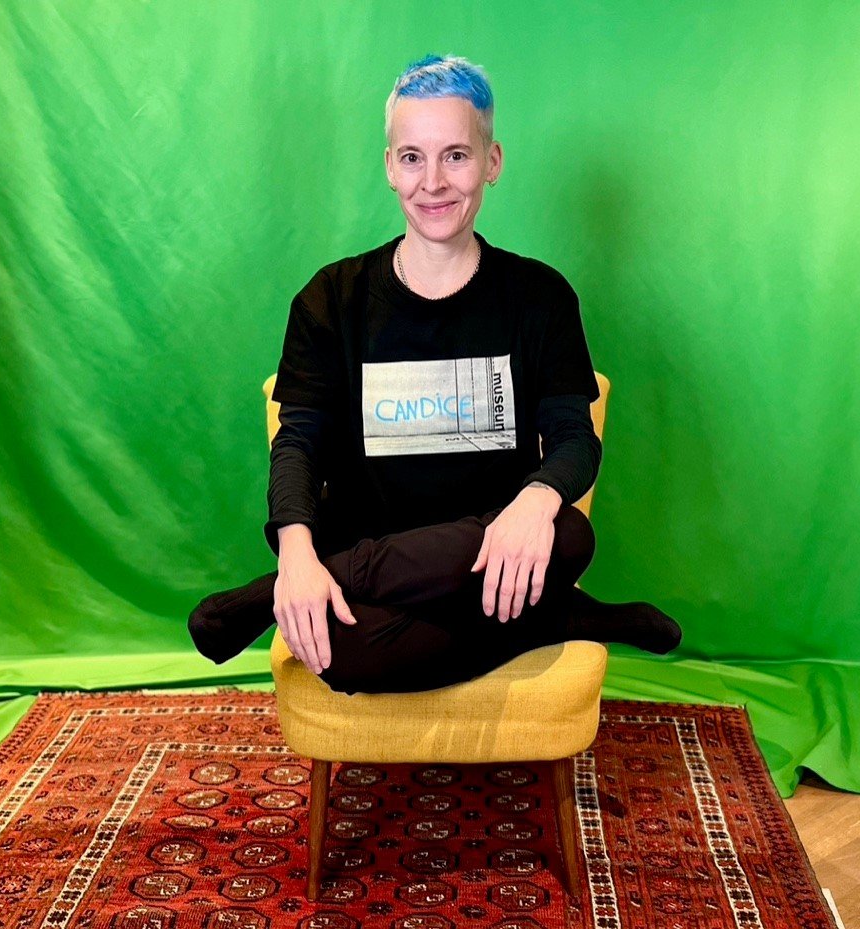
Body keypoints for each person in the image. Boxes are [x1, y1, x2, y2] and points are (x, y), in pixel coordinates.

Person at [189, 54, 680, 694]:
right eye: (413, 157)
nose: (434, 182)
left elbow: (572, 436)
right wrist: (299, 553)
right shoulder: (330, 299)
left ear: (491, 162)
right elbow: (299, 444)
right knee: (344, 651)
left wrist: (534, 502)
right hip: (372, 542)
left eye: (456, 155)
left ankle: (288, 590)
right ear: (391, 167)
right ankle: (557, 616)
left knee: (568, 533)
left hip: (494, 546)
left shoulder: (540, 297)